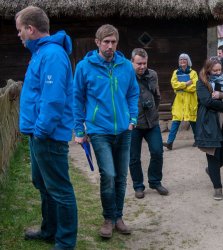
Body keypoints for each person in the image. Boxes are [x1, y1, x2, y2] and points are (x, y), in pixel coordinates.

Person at [15, 6, 77, 250]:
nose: (19, 35)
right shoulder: (41, 53)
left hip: (47, 135)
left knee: (60, 190)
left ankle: (65, 242)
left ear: (30, 29)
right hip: (38, 134)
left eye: (20, 30)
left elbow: (52, 99)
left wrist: (40, 131)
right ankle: (49, 230)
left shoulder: (51, 54)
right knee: (43, 183)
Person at [73, 24, 139, 239]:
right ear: (97, 42)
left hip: (124, 130)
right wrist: (78, 129)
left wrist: (132, 118)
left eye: (113, 42)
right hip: (99, 130)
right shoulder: (85, 67)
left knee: (120, 176)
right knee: (108, 175)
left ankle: (119, 217)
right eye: (106, 42)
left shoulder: (126, 66)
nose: (110, 46)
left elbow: (132, 93)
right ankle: (108, 218)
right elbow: (77, 99)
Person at [196, 57, 223, 200]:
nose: (218, 72)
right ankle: (217, 188)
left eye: (219, 70)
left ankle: (211, 171)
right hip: (210, 123)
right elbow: (206, 101)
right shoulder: (202, 82)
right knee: (213, 155)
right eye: (214, 70)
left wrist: (222, 95)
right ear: (208, 70)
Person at [129, 48, 169, 199]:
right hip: (133, 124)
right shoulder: (126, 76)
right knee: (134, 157)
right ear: (132, 62)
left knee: (158, 151)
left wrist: (153, 111)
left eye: (144, 63)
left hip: (151, 122)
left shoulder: (153, 75)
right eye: (139, 63)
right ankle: (138, 186)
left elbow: (157, 96)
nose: (142, 66)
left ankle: (155, 181)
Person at [163, 53, 198, 150]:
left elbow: (194, 87)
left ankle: (198, 139)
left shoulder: (193, 73)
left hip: (190, 101)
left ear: (188, 61)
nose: (182, 61)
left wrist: (181, 87)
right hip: (179, 102)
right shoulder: (175, 72)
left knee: (193, 121)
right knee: (175, 121)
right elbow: (174, 85)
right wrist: (186, 83)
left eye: (184, 59)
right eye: (181, 60)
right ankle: (170, 143)